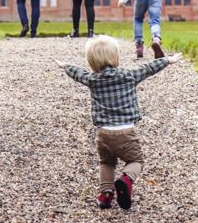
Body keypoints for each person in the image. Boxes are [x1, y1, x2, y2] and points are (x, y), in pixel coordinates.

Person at [54, 35, 182, 210]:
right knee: (136, 161)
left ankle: (106, 194)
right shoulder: (129, 75)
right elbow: (148, 68)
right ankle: (126, 179)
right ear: (115, 57)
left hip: (103, 134)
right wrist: (167, 60)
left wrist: (66, 66)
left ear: (92, 62)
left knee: (107, 163)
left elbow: (78, 73)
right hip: (126, 132)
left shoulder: (92, 79)